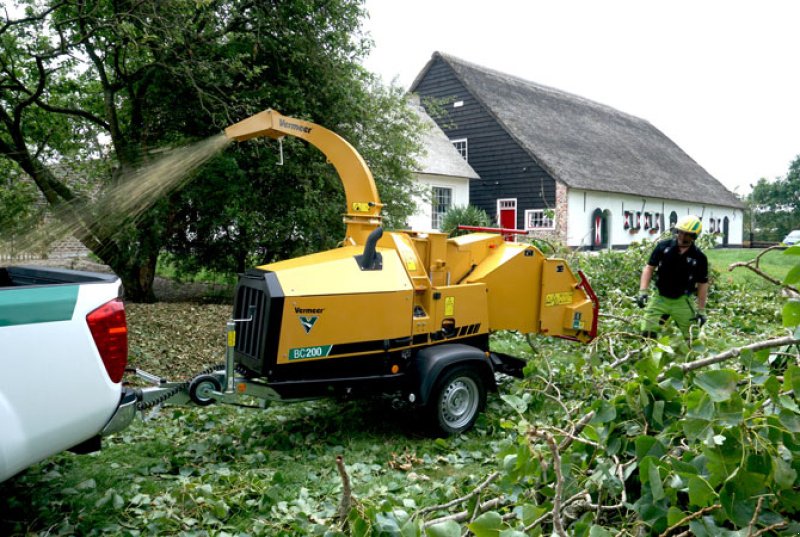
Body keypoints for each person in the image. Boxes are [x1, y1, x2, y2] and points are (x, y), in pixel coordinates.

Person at [637, 215, 709, 339]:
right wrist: (643, 291)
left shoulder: (699, 257)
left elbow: (702, 283)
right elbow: (649, 268)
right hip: (660, 298)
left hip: (683, 300)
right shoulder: (663, 247)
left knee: (692, 337)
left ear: (694, 236)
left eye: (687, 234)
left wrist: (701, 310)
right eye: (680, 232)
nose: (682, 236)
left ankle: (694, 358)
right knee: (647, 333)